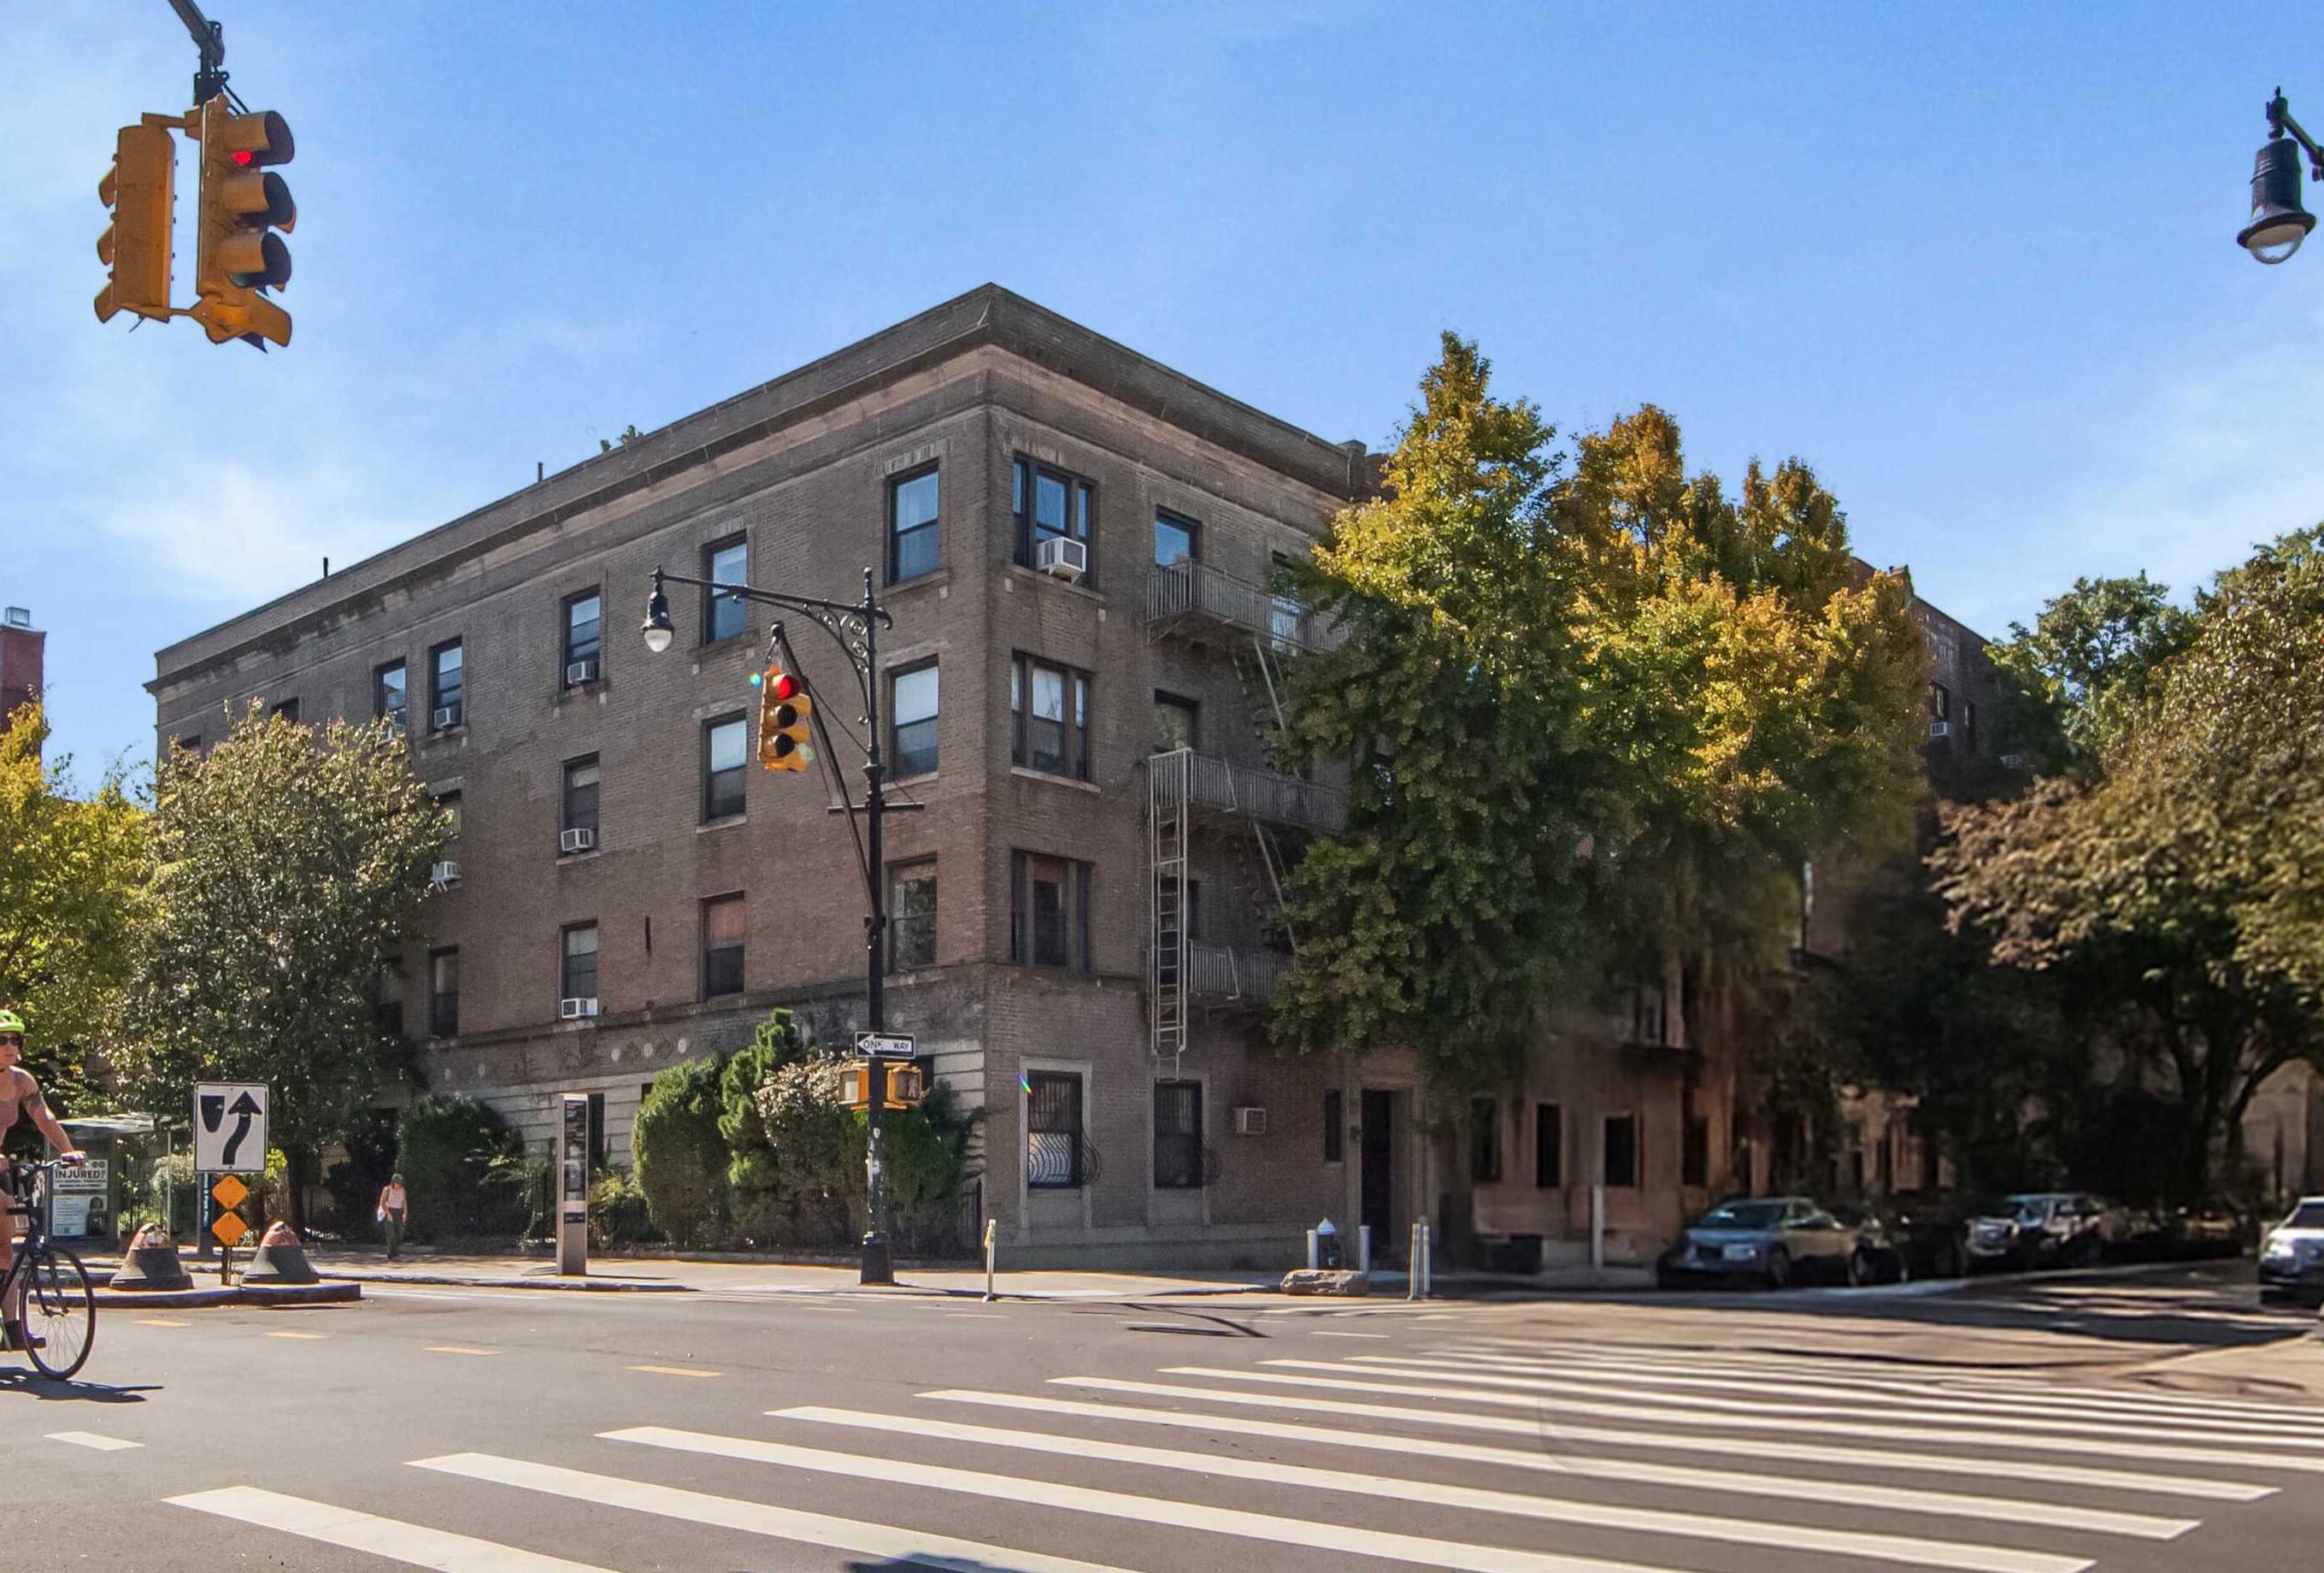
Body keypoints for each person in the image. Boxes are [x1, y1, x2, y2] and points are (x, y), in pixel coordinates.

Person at [0, 1010, 85, 1352]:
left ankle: (13, 1328)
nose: (10, 1045)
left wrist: (68, 1150)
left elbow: (43, 1117)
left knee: (7, 1249)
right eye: (2, 1039)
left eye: (15, 1039)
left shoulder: (21, 1081)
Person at [376, 1173, 408, 1259]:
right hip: (390, 1211)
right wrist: (388, 1213)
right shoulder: (387, 1190)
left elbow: (404, 1202)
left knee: (400, 1233)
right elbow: (382, 1202)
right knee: (391, 1234)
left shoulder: (402, 1190)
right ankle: (391, 1254)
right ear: (393, 1182)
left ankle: (395, 1252)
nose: (398, 1185)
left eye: (400, 1183)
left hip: (399, 1212)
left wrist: (405, 1213)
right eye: (397, 1183)